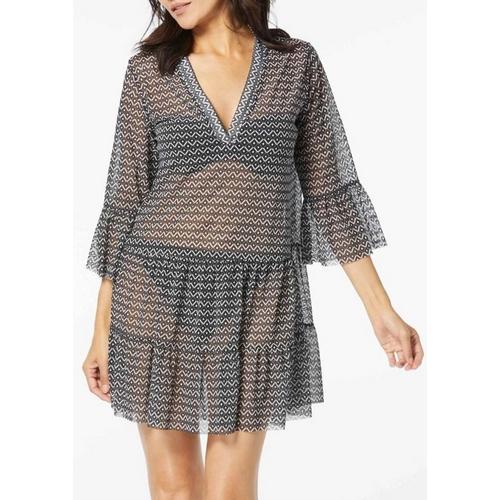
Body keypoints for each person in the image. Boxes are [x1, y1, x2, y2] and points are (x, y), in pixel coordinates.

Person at [82, 0, 424, 498]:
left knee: (231, 491)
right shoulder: (150, 72)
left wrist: (381, 311)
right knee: (175, 491)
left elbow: (331, 195)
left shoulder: (295, 65)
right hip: (154, 290)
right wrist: (100, 331)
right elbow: (123, 202)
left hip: (259, 299)